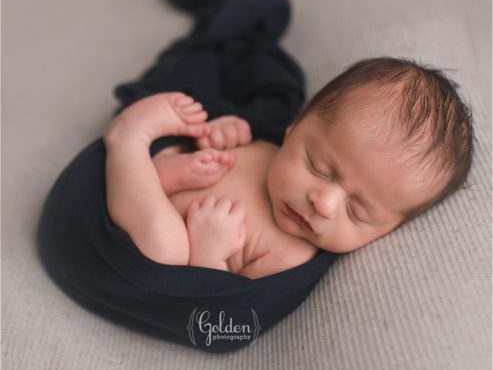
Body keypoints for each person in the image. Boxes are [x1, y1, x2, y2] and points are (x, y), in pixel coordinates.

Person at [103, 57, 475, 277]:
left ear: (388, 229)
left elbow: (218, 318)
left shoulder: (288, 256)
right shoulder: (266, 149)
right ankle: (156, 166)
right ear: (294, 127)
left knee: (166, 250)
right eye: (319, 166)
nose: (323, 204)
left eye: (357, 212)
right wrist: (217, 134)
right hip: (110, 195)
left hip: (117, 253)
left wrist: (208, 255)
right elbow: (216, 143)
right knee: (173, 167)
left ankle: (129, 140)